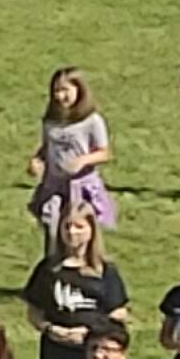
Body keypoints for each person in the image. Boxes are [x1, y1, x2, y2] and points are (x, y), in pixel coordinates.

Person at [21, 203, 126, 359]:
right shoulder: (48, 269)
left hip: (92, 355)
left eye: (79, 226)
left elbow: (118, 313)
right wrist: (51, 330)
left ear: (91, 230)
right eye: (67, 226)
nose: (72, 232)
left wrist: (89, 332)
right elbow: (34, 311)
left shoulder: (105, 271)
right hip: (56, 356)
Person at [26, 67, 115, 242]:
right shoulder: (51, 121)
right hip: (53, 185)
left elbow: (104, 153)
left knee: (76, 231)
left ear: (79, 90)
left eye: (65, 90)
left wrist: (83, 160)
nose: (60, 96)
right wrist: (37, 160)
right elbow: (47, 147)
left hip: (79, 186)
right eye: (56, 91)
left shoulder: (91, 121)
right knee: (51, 223)